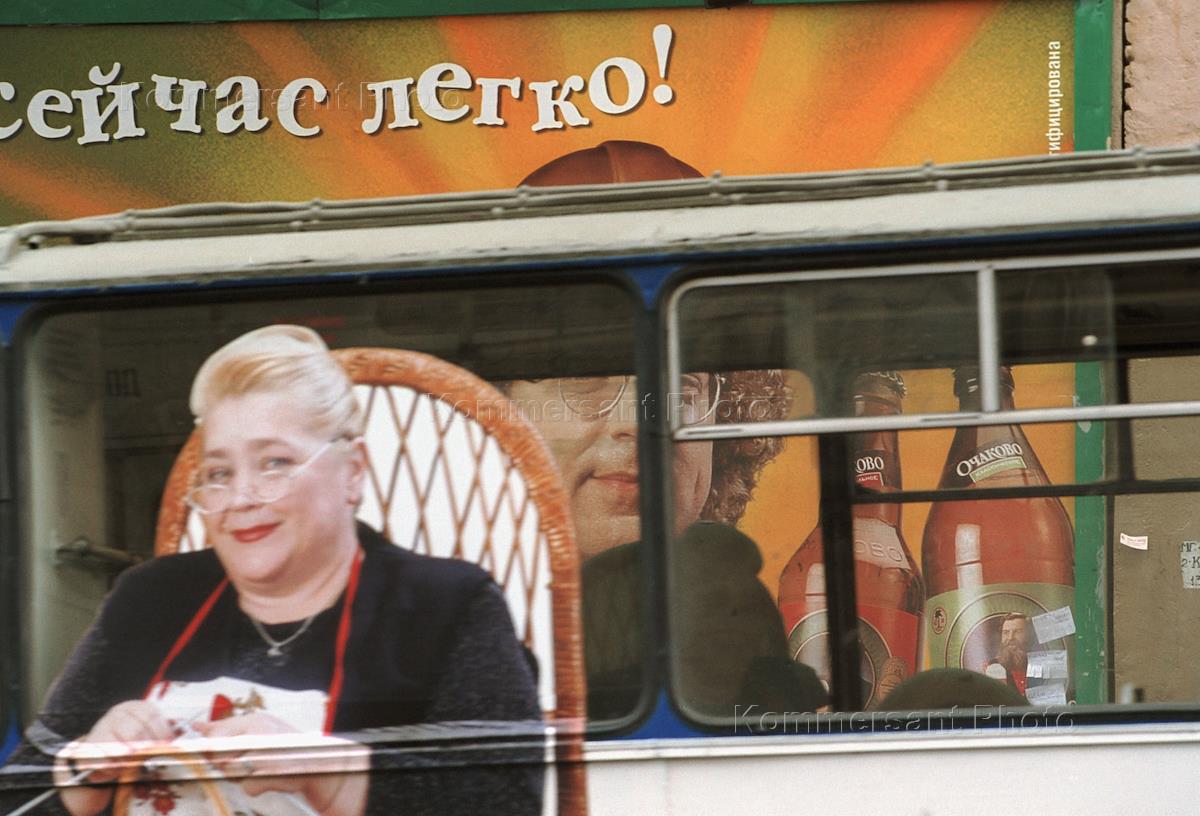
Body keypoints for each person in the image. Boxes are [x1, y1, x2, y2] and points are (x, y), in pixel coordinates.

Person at [2, 326, 541, 816]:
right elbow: (17, 796)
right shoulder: (150, 598)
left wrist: (331, 776)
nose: (241, 498)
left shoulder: (448, 607)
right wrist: (81, 775)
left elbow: (506, 802)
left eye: (275, 463)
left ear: (353, 472)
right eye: (219, 473)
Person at [508, 141, 812, 724]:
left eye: (681, 385)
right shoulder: (435, 633)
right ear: (496, 408)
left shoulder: (751, 623)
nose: (636, 422)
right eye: (584, 378)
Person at [985, 613, 1034, 695]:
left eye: (1018, 632)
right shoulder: (987, 668)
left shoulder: (1042, 667)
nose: (1010, 638)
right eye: (1006, 632)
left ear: (1029, 636)